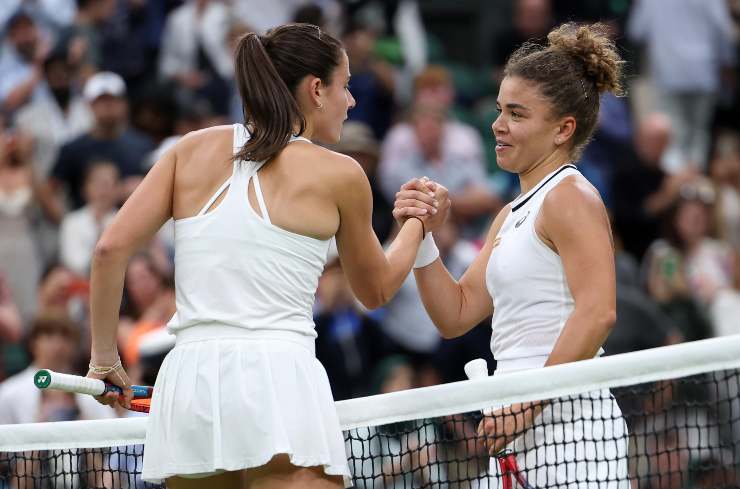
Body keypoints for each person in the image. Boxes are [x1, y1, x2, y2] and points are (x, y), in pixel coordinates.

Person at [86, 23, 450, 489]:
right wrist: (417, 222)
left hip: (190, 386)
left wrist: (102, 357)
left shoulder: (191, 149)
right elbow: (376, 289)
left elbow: (108, 249)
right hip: (278, 379)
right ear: (317, 90)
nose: (352, 101)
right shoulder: (341, 174)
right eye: (347, 86)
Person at [394, 23, 629, 487]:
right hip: (514, 422)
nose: (497, 126)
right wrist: (421, 233)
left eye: (517, 115)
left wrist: (527, 405)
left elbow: (597, 312)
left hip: (572, 432)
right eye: (500, 110)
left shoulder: (571, 196)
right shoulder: (509, 214)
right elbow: (455, 315)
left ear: (564, 129)